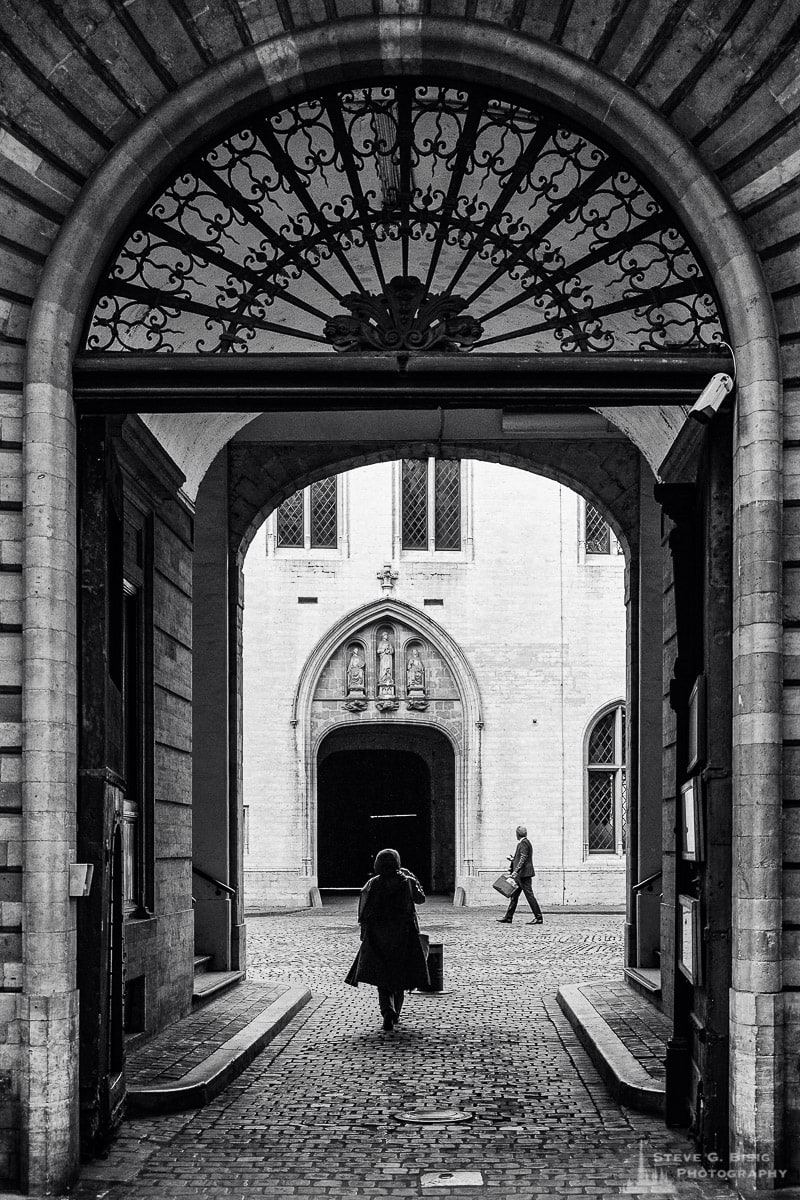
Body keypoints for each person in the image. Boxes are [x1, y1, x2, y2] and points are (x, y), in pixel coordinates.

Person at [345, 848, 429, 1031]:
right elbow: (421, 899)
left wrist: (365, 932)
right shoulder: (407, 881)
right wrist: (412, 877)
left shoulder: (372, 883)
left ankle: (387, 1010)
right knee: (401, 975)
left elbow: (364, 911)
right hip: (403, 934)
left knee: (382, 976)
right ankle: (395, 1013)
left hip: (378, 934)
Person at [497, 823, 543, 925]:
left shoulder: (524, 843)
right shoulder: (525, 843)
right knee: (514, 896)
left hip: (524, 875)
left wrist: (515, 872)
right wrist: (513, 859)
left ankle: (538, 917)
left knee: (529, 896)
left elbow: (523, 858)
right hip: (521, 875)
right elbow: (521, 858)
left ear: (517, 834)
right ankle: (508, 917)